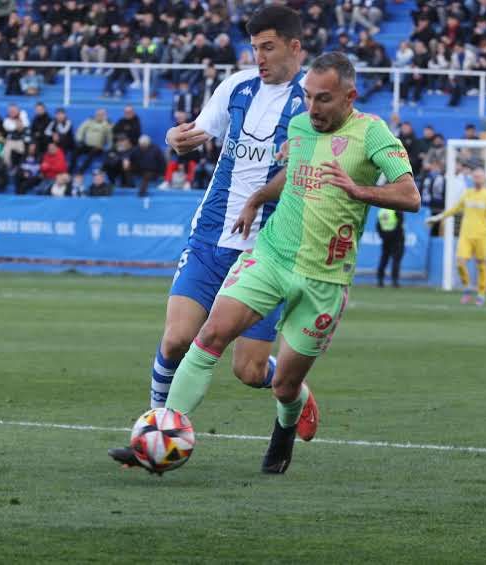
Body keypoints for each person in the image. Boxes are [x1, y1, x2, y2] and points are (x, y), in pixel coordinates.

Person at [160, 52, 419, 475]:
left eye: (324, 100)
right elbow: (293, 172)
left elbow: (410, 195)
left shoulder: (373, 135)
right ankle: (163, 431)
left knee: (284, 384)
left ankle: (284, 428)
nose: (312, 108)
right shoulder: (299, 127)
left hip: (325, 280)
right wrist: (258, 198)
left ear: (349, 96)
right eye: (308, 97)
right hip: (271, 256)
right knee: (210, 335)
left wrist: (359, 191)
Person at [108, 6, 318, 469]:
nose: (259, 57)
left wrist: (274, 182)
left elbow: (311, 169)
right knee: (175, 339)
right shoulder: (237, 87)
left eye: (269, 47)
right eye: (254, 48)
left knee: (248, 370)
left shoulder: (311, 101)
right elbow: (196, 134)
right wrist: (175, 138)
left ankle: (295, 391)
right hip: (210, 237)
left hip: (270, 249)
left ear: (294, 47)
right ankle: (153, 435)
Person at [425, 168, 486, 306]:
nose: (477, 179)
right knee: (460, 263)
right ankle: (467, 286)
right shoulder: (467, 194)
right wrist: (438, 218)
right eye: (475, 176)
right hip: (466, 235)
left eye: (480, 176)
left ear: (484, 179)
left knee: (482, 265)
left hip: (482, 236)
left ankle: (481, 294)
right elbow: (454, 209)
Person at [376, 208, 404, 288]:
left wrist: (383, 235)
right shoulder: (397, 209)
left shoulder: (381, 210)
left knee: (384, 258)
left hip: (386, 238)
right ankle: (394, 280)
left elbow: (378, 225)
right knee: (396, 259)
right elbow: (400, 224)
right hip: (396, 239)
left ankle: (380, 280)